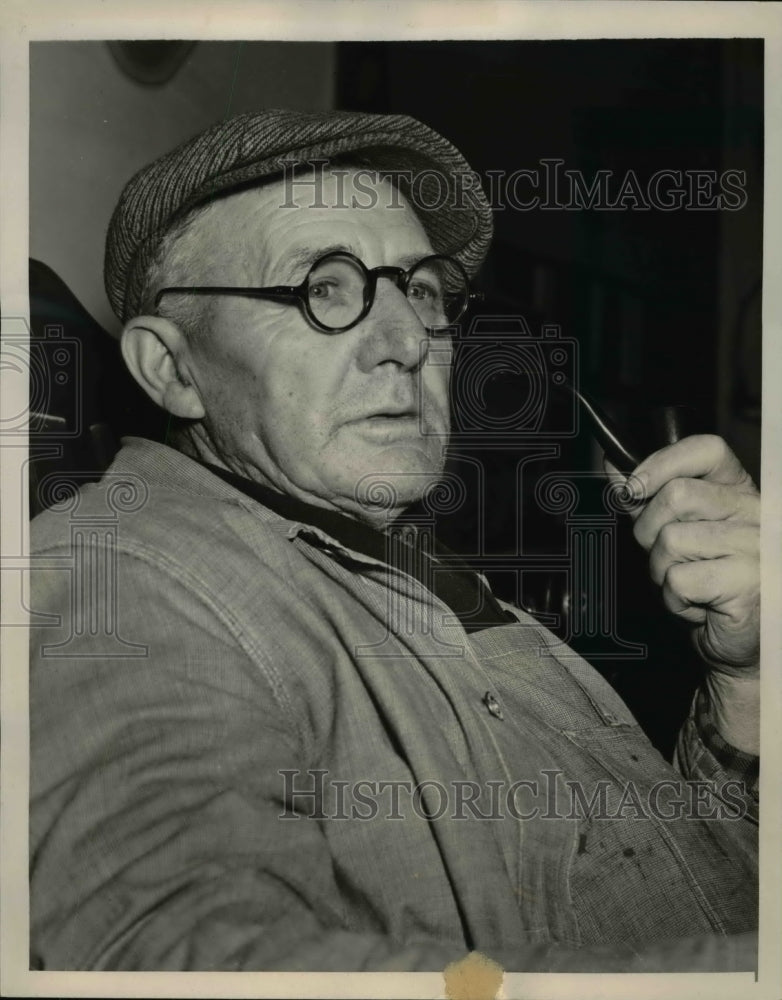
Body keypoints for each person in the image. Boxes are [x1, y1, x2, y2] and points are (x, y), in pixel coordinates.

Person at [29, 109, 760, 972]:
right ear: (174, 369)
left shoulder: (434, 580)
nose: (411, 341)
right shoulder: (122, 576)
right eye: (324, 288)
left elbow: (689, 890)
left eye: (418, 289)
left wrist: (744, 680)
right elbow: (185, 964)